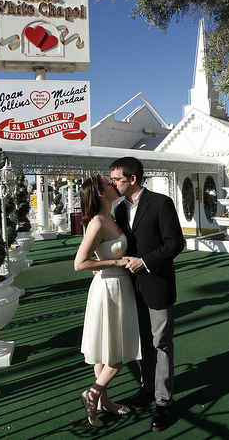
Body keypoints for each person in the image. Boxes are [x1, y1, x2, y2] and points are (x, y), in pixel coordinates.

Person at [110, 157, 184, 432]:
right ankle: (148, 387)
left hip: (157, 285)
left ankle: (164, 402)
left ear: (132, 179)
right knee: (144, 343)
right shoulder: (118, 209)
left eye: (116, 179)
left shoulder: (161, 203)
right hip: (130, 288)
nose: (113, 183)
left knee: (161, 343)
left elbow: (175, 243)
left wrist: (146, 262)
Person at [74, 174, 141, 428]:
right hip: (109, 287)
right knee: (120, 351)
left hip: (118, 285)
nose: (114, 185)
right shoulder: (97, 222)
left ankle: (105, 401)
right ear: (101, 193)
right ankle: (93, 393)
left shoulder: (111, 216)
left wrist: (107, 263)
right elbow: (79, 263)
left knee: (107, 348)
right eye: (109, 183)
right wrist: (113, 262)